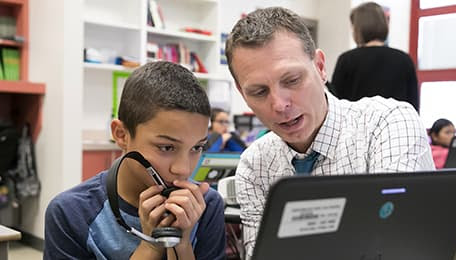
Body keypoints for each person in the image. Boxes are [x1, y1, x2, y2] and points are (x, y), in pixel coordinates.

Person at [224, 7, 435, 258]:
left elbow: (394, 246)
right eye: (259, 92)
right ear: (241, 93)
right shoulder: (254, 164)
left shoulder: (388, 123)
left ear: (320, 67)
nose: (280, 105)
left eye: (292, 80)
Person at [44, 61, 226, 259]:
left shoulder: (207, 205)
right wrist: (151, 246)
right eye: (166, 147)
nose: (183, 169)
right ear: (121, 135)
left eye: (197, 148)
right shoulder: (71, 213)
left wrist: (181, 243)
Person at [328, 2, 419, 112]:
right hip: (396, 127)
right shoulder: (404, 60)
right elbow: (413, 106)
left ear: (358, 28)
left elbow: (337, 105)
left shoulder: (347, 60)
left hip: (358, 128)